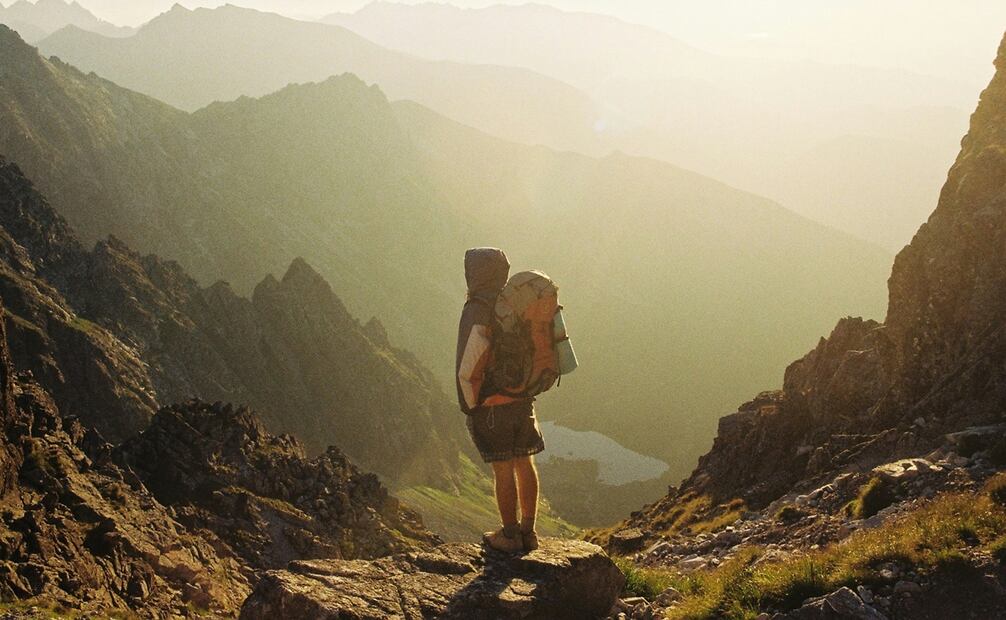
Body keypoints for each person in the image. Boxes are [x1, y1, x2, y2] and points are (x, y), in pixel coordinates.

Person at [455, 247, 545, 553]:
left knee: (503, 469)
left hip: (493, 405)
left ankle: (509, 535)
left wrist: (470, 405)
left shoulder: (477, 309)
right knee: (525, 462)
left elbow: (468, 363)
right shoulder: (516, 303)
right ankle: (529, 532)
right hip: (523, 399)